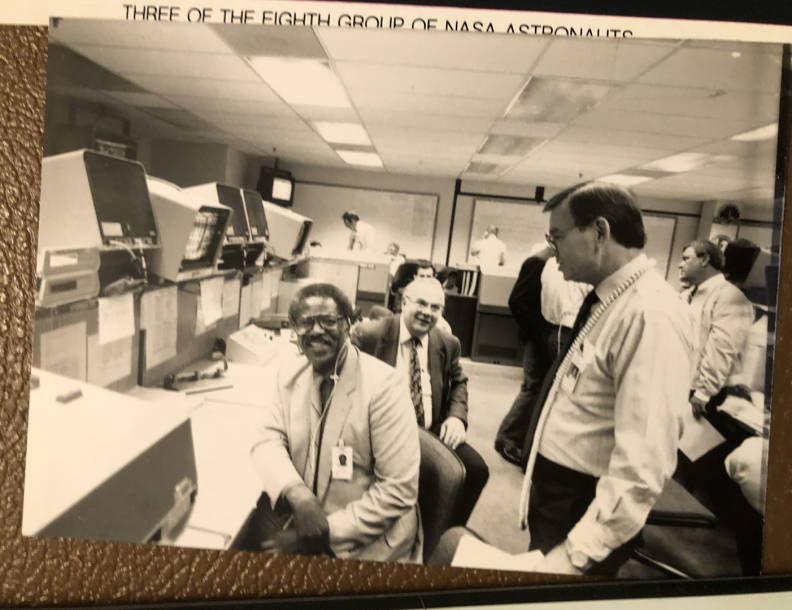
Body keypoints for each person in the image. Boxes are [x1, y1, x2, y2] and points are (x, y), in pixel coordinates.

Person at [514, 182, 695, 575]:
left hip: (583, 509)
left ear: (599, 232)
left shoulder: (651, 315)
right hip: (560, 497)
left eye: (557, 236)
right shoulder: (608, 297)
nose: (550, 249)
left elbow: (643, 465)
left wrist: (577, 553)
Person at [247, 283, 422, 562]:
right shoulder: (291, 375)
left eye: (328, 320)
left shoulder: (385, 387)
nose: (316, 331)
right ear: (295, 330)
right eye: (306, 323)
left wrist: (324, 532)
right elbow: (266, 439)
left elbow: (398, 492)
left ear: (349, 324)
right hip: (311, 514)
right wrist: (299, 495)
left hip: (367, 540)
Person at [351, 279, 490, 527]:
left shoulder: (448, 343)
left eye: (436, 308)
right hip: (381, 431)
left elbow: (459, 382)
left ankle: (442, 533)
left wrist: (456, 417)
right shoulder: (371, 335)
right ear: (404, 302)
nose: (428, 312)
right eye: (422, 303)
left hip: (429, 429)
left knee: (475, 469)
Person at [494, 246, 589, 467]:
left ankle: (521, 442)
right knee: (545, 390)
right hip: (552, 332)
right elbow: (518, 301)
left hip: (547, 331)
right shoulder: (543, 262)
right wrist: (538, 335)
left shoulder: (553, 263)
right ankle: (514, 440)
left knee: (539, 389)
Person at [678, 240, 754, 420]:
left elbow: (722, 348)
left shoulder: (730, 297)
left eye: (686, 259)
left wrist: (704, 392)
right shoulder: (687, 295)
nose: (680, 264)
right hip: (685, 385)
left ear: (704, 260)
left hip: (709, 395)